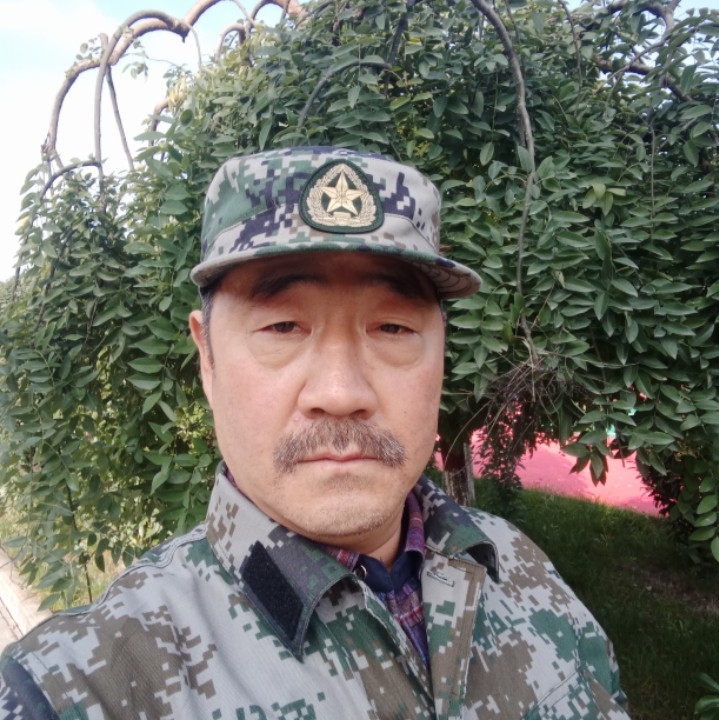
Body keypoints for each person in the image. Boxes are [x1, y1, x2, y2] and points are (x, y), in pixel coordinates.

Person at [0, 146, 630, 719]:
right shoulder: (84, 684)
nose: (341, 393)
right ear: (207, 358)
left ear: (443, 354)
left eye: (392, 328)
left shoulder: (517, 564)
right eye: (283, 327)